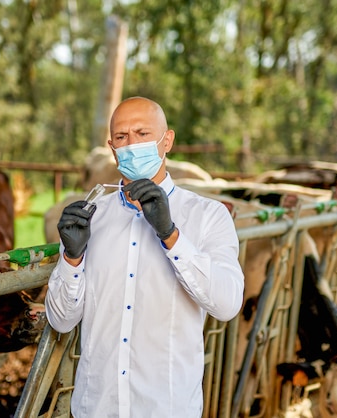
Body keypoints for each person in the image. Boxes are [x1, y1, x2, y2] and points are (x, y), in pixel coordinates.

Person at [44, 96, 245, 418]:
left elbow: (227, 304)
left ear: (167, 141)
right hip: (96, 407)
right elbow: (61, 320)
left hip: (167, 407)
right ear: (112, 148)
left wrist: (171, 235)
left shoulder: (209, 215)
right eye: (122, 137)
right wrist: (71, 257)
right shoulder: (92, 216)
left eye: (142, 133)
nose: (131, 144)